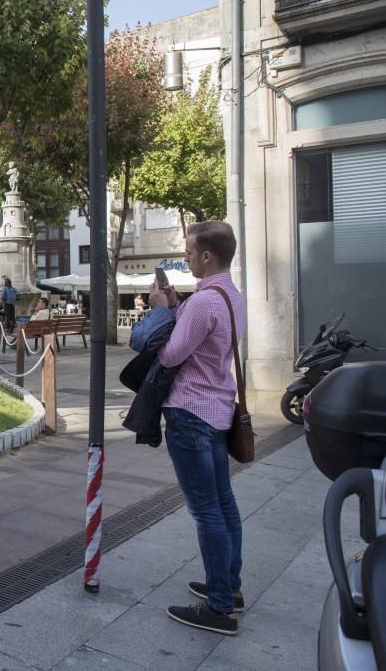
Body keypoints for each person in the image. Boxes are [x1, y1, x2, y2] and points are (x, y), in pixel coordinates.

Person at [149, 221, 247, 636]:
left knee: (206, 509)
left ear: (208, 255)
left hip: (191, 414)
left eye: (189, 253)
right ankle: (229, 587)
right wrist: (177, 308)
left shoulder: (204, 301)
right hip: (219, 409)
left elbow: (171, 356)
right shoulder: (233, 296)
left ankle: (219, 608)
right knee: (223, 503)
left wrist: (160, 312)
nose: (186, 258)